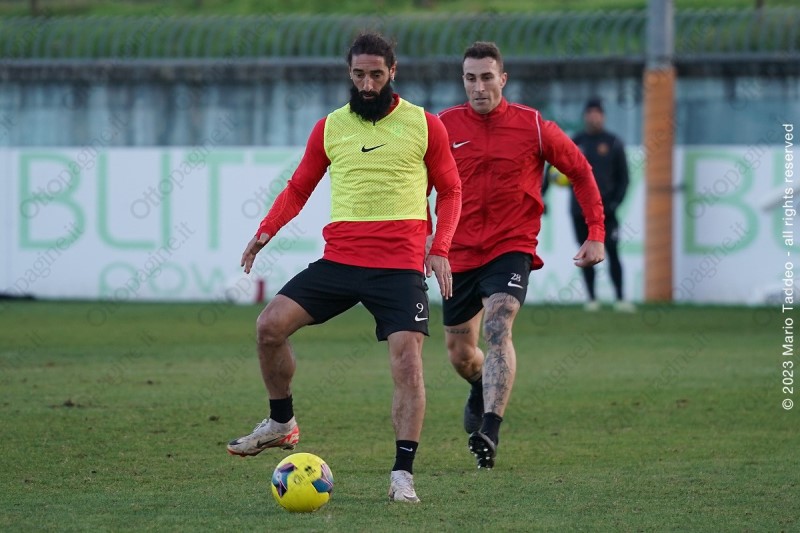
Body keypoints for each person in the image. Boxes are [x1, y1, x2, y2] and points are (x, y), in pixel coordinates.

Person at [226, 32, 462, 503]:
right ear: (349, 73)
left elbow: (452, 190)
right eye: (359, 75)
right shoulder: (330, 127)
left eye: (376, 74)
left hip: (398, 267)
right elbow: (299, 187)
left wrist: (441, 247)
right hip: (341, 260)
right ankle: (281, 421)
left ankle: (402, 474)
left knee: (407, 363)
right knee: (269, 326)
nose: (368, 84)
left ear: (392, 72)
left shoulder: (425, 124)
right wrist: (265, 231)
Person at [435, 42, 605, 469]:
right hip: (458, 252)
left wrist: (596, 233)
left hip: (510, 247)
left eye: (487, 77)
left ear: (503, 79)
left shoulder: (533, 126)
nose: (479, 87)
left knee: (498, 324)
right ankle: (479, 384)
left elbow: (580, 170)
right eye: (470, 78)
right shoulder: (441, 127)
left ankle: (490, 430)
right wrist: (425, 236)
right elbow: (414, 184)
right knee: (460, 353)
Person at [554, 98, 633, 312]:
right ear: (585, 116)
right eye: (590, 113)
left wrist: (615, 203)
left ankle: (620, 298)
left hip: (607, 211)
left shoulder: (613, 142)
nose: (593, 117)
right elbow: (554, 170)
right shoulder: (576, 141)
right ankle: (591, 299)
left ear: (603, 116)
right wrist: (544, 191)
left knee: (613, 252)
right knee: (585, 254)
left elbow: (624, 179)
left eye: (597, 113)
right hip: (579, 211)